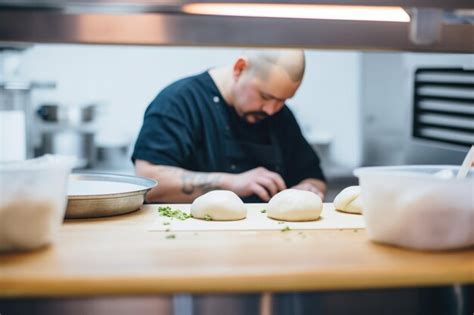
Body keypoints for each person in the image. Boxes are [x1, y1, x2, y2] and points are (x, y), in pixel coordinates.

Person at [132, 49, 326, 203]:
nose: (271, 110)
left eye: (283, 100)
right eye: (265, 96)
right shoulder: (178, 102)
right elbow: (149, 183)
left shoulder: (280, 116)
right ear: (239, 68)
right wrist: (232, 182)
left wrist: (307, 189)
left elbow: (314, 177)